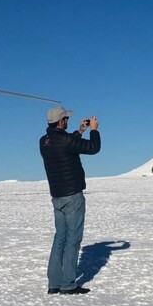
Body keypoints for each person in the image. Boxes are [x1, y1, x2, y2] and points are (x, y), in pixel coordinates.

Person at [40, 105, 101, 295]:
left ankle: (54, 283)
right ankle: (68, 284)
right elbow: (93, 148)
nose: (68, 121)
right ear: (60, 122)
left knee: (60, 238)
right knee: (73, 239)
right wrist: (93, 130)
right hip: (72, 196)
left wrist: (79, 131)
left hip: (57, 197)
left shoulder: (44, 141)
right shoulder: (65, 140)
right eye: (66, 118)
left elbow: (67, 143)